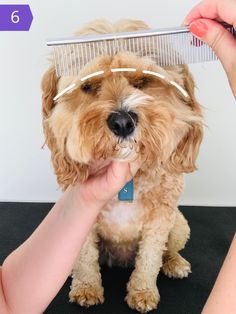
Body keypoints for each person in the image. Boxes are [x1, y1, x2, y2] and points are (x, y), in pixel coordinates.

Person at [0, 0, 235, 313]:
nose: (121, 116)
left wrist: (145, 281)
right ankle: (86, 279)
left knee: (173, 233)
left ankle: (149, 275)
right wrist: (86, 194)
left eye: (141, 82)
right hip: (91, 247)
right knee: (82, 244)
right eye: (91, 86)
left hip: (146, 236)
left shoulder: (165, 173)